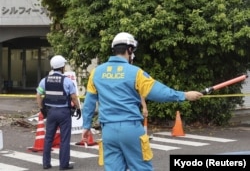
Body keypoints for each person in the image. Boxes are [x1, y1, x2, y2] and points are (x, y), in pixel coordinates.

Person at [81, 32, 203, 171]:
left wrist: (86, 126)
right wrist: (184, 95)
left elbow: (89, 102)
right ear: (129, 50)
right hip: (131, 129)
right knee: (140, 167)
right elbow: (158, 92)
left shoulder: (96, 73)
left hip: (108, 130)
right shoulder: (135, 72)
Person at [36, 55, 81, 170]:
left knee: (48, 138)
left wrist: (42, 108)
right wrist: (78, 108)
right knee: (64, 139)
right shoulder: (67, 81)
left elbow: (38, 95)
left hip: (51, 112)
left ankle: (46, 163)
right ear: (62, 67)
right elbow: (74, 97)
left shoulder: (44, 80)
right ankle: (63, 164)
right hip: (64, 113)